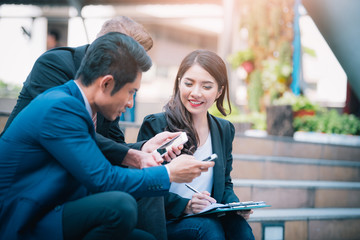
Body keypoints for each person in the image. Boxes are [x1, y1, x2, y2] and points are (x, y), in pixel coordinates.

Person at [0, 32, 214, 240]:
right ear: (106, 84)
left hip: (52, 210)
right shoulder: (60, 107)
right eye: (131, 92)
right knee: (120, 207)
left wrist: (140, 155)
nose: (130, 103)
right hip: (22, 221)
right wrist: (168, 173)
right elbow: (103, 179)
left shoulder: (74, 104)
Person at [137, 50, 255, 240]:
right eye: (189, 83)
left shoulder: (224, 130)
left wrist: (235, 205)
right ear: (178, 82)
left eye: (207, 86)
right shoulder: (156, 125)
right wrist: (186, 205)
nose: (195, 93)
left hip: (207, 215)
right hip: (167, 220)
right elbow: (144, 187)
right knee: (208, 229)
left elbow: (224, 183)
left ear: (219, 91)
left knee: (239, 228)